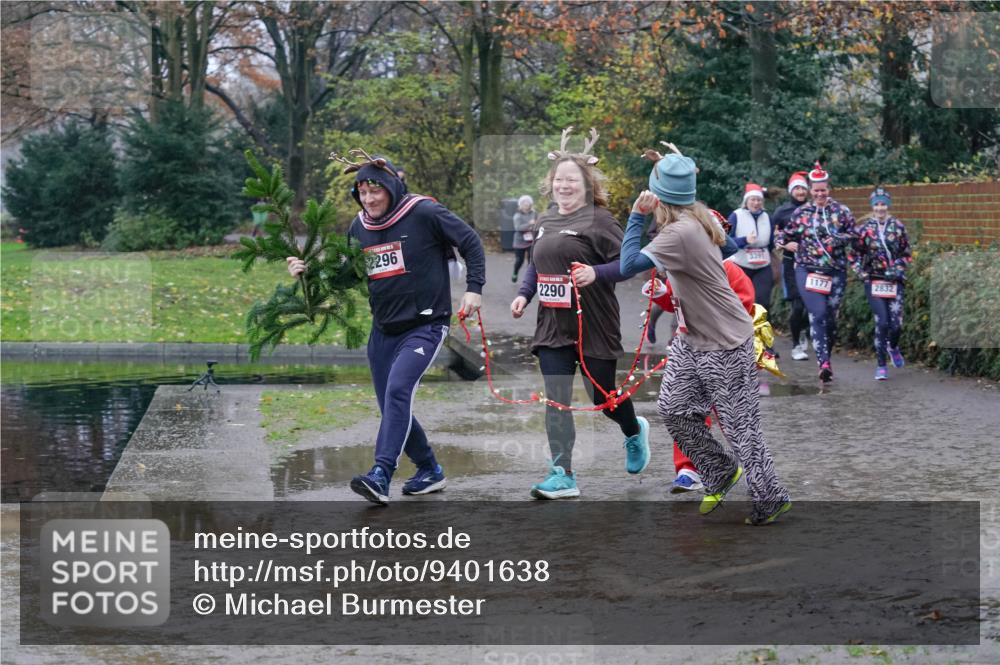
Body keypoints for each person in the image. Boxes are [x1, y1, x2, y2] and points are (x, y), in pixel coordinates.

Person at [288, 151, 485, 505]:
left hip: (425, 325)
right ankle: (429, 470)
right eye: (361, 193)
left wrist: (474, 289)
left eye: (374, 191)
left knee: (397, 392)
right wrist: (309, 272)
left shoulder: (423, 212)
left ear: (391, 188)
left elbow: (470, 241)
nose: (368, 199)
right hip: (383, 331)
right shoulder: (359, 227)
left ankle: (381, 474)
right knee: (393, 404)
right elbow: (349, 274)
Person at [620, 144, 791, 525]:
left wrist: (635, 216)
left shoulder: (681, 231)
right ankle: (718, 470)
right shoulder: (697, 218)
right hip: (690, 337)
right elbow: (726, 245)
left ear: (658, 198)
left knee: (739, 425)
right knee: (674, 409)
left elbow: (628, 264)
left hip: (725, 341)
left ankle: (771, 496)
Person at [509, 127, 650, 500]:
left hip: (595, 324)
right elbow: (536, 265)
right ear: (551, 183)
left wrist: (596, 273)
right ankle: (562, 473)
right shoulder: (545, 220)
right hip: (553, 325)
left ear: (586, 185)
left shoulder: (600, 221)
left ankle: (633, 430)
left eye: (572, 180)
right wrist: (524, 295)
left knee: (603, 397)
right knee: (556, 398)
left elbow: (631, 262)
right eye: (559, 180)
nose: (564, 186)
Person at [774, 162, 856, 383]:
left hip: (835, 271)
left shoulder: (842, 211)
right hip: (807, 269)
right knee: (818, 314)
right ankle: (823, 364)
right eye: (816, 190)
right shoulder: (801, 212)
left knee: (830, 319)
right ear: (811, 191)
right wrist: (785, 244)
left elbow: (853, 235)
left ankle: (826, 355)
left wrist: (838, 239)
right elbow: (782, 235)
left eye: (824, 190)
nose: (820, 194)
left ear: (829, 190)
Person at [852, 187, 911, 380]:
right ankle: (881, 364)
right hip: (874, 280)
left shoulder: (898, 226)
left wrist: (898, 269)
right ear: (872, 206)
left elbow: (906, 253)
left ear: (888, 205)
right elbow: (854, 254)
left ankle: (892, 347)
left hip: (895, 281)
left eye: (883, 203)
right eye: (876, 204)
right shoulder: (865, 229)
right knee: (882, 322)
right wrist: (861, 272)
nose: (880, 208)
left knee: (896, 325)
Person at [772, 172, 811, 361]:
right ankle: (796, 345)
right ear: (791, 191)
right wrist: (785, 244)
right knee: (797, 305)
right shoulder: (782, 212)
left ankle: (804, 330)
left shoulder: (814, 209)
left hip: (814, 263)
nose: (800, 191)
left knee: (812, 305)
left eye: (803, 188)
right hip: (791, 262)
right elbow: (773, 234)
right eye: (797, 188)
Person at [728, 183, 775, 312]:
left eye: (759, 200)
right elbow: (726, 241)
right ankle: (741, 330)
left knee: (762, 301)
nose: (756, 203)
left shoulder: (767, 217)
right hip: (741, 265)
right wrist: (745, 240)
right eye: (753, 199)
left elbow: (771, 242)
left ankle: (760, 330)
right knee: (741, 302)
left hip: (763, 265)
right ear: (746, 201)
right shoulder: (735, 216)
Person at [511, 195, 536, 283]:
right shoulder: (517, 216)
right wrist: (529, 224)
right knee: (519, 260)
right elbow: (518, 228)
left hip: (530, 241)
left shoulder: (533, 213)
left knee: (531, 261)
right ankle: (515, 273)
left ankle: (528, 278)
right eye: (524, 203)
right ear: (520, 205)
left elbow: (536, 223)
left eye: (528, 202)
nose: (526, 204)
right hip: (519, 241)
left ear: (530, 204)